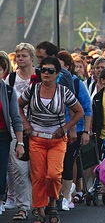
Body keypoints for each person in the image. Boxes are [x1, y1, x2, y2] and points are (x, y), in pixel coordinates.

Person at [18, 56, 84, 223]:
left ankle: (53, 203)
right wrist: (25, 123)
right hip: (36, 139)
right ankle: (39, 210)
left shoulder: (63, 91)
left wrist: (66, 128)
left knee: (54, 175)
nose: (46, 73)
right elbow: (17, 105)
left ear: (57, 74)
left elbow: (79, 111)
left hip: (57, 140)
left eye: (50, 71)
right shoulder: (32, 90)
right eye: (43, 70)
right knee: (38, 176)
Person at [57, 51, 92, 210]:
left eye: (59, 65)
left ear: (68, 66)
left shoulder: (77, 83)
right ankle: (59, 192)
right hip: (55, 129)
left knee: (68, 161)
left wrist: (86, 131)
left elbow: (87, 108)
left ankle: (66, 196)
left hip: (74, 130)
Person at [5, 42, 37, 220]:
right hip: (15, 127)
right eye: (18, 56)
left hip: (39, 127)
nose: (20, 59)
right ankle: (23, 206)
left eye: (24, 56)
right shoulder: (10, 79)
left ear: (32, 58)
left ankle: (41, 203)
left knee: (38, 169)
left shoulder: (42, 76)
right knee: (19, 169)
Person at [0, 56, 24, 216]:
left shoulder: (8, 91)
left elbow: (16, 118)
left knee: (1, 172)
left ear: (3, 72)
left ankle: (0, 199)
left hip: (2, 136)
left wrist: (20, 142)